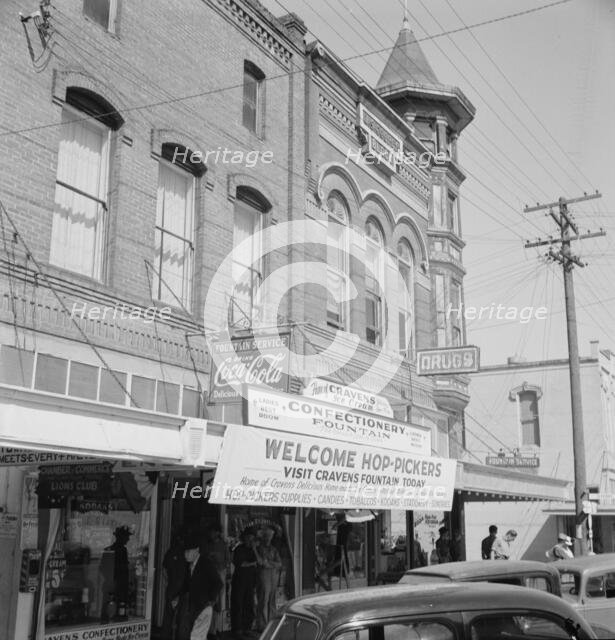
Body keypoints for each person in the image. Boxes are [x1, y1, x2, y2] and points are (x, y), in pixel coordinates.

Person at [176, 531, 223, 640]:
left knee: (196, 636)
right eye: (184, 552)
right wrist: (177, 597)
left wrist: (210, 600)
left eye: (188, 551)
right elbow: (186, 584)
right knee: (196, 635)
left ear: (197, 550)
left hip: (204, 606)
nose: (185, 555)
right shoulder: (190, 565)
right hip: (194, 606)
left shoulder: (205, 563)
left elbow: (218, 583)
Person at [99, 525, 131, 622]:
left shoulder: (110, 549)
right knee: (117, 608)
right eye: (126, 536)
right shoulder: (119, 550)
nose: (128, 539)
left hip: (113, 583)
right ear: (121, 537)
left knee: (110, 608)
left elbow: (102, 568)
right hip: (117, 584)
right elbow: (123, 569)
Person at [231, 528, 258, 639]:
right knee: (238, 604)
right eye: (248, 538)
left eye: (252, 538)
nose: (250, 540)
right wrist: (253, 563)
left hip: (250, 581)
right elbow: (242, 564)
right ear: (244, 538)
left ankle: (247, 628)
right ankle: (237, 629)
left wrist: (255, 550)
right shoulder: (239, 549)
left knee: (249, 604)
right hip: (239, 580)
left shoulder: (253, 550)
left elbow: (259, 562)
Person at [204, 524, 230, 639]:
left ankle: (217, 628)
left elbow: (228, 561)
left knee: (218, 602)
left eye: (213, 531)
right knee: (210, 601)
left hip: (220, 574)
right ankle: (210, 629)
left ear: (217, 533)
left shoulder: (223, 545)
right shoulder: (208, 545)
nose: (211, 534)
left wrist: (223, 569)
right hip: (209, 575)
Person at [255, 527, 282, 632]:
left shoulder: (273, 549)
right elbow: (261, 563)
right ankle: (262, 625)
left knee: (272, 600)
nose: (268, 539)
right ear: (263, 537)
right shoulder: (259, 549)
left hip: (273, 575)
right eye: (266, 537)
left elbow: (279, 563)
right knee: (263, 599)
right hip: (264, 575)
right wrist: (271, 564)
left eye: (270, 537)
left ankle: (271, 623)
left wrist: (269, 564)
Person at [162, 531, 187, 638]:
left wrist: (168, 581)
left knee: (168, 615)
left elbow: (163, 570)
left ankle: (166, 636)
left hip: (171, 587)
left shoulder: (170, 552)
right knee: (182, 617)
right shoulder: (186, 554)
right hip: (182, 588)